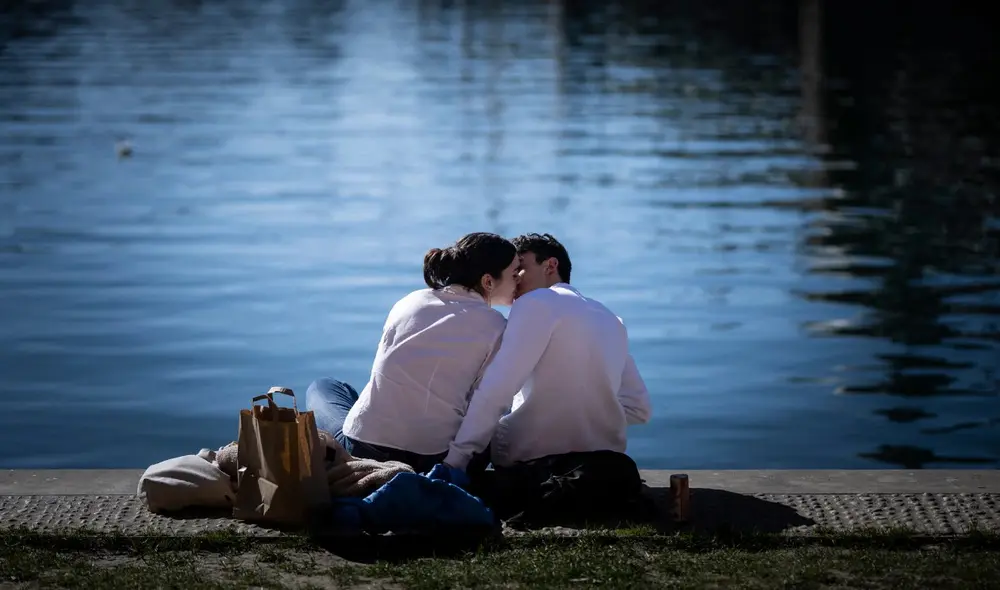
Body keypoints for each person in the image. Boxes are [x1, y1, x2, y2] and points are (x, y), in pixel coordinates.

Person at [306, 232, 520, 474]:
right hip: (433, 457)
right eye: (514, 274)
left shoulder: (410, 301)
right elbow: (482, 404)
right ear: (488, 282)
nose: (519, 282)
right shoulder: (497, 326)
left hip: (365, 448)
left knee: (323, 387)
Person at [443, 233, 651, 473]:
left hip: (534, 464)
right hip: (603, 466)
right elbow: (639, 408)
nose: (514, 277)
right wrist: (588, 421)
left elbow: (496, 390)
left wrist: (454, 462)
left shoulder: (536, 302)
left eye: (520, 267)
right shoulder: (611, 319)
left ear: (550, 265)